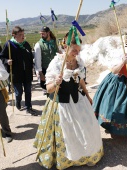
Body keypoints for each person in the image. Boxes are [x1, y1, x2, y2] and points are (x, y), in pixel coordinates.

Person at [33, 37, 104, 169]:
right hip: (62, 103)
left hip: (78, 100)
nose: (77, 52)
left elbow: (81, 80)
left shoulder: (79, 61)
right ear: (65, 47)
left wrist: (88, 95)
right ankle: (66, 159)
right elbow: (49, 89)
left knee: (86, 128)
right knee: (68, 132)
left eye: (79, 50)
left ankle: (85, 154)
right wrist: (56, 82)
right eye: (74, 50)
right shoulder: (56, 64)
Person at [93, 29, 127, 138]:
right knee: (118, 106)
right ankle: (112, 126)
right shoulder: (122, 52)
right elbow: (114, 70)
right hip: (120, 81)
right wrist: (123, 62)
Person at [0, 26, 37, 116]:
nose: (22, 36)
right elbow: (1, 57)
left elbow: (31, 56)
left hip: (27, 73)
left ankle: (29, 107)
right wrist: (7, 61)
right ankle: (18, 101)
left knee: (28, 91)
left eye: (23, 34)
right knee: (19, 92)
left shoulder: (26, 44)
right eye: (20, 35)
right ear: (14, 35)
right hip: (16, 73)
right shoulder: (9, 45)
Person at [34, 26, 59, 95]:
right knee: (49, 89)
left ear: (48, 33)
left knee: (57, 88)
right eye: (41, 34)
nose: (41, 35)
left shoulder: (54, 42)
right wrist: (40, 73)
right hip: (46, 70)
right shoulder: (38, 45)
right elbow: (37, 60)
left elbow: (58, 52)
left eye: (43, 33)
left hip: (56, 68)